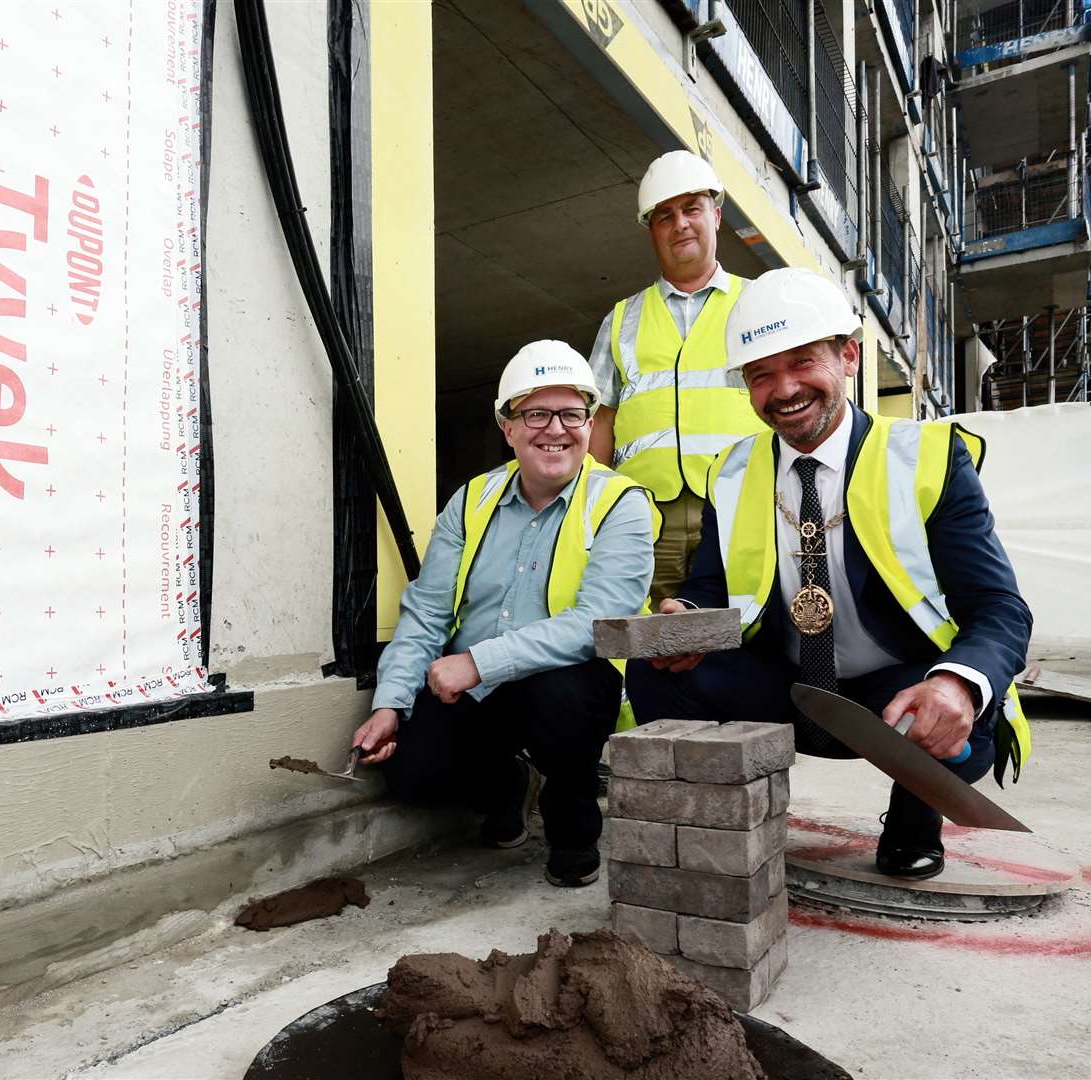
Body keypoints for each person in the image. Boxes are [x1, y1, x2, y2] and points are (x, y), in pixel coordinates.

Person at [626, 268, 1033, 880]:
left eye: (802, 363)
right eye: (761, 373)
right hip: (784, 681)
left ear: (848, 357)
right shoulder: (730, 473)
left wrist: (955, 684)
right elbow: (710, 585)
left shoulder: (924, 458)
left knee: (969, 717)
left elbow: (999, 607)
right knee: (654, 672)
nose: (783, 389)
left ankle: (913, 818)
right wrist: (687, 617)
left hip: (891, 688)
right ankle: (722, 810)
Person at [352, 341, 657, 888]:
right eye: (536, 413)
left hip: (568, 685)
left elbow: (601, 622)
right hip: (480, 692)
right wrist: (391, 703)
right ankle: (508, 787)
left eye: (571, 414)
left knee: (564, 702)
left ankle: (573, 826)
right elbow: (426, 612)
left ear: (590, 423)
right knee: (413, 774)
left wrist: (478, 661)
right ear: (507, 426)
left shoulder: (621, 502)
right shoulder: (471, 501)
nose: (555, 429)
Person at [588, 150, 769, 606]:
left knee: (743, 629)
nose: (681, 224)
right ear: (652, 230)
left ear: (717, 215)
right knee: (648, 644)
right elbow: (600, 422)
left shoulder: (758, 304)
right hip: (646, 521)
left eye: (692, 209)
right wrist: (591, 508)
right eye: (665, 215)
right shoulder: (621, 319)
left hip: (741, 507)